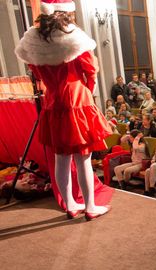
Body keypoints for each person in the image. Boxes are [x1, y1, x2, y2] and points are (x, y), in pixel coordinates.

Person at [15, 1, 113, 219]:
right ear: (67, 12)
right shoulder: (74, 37)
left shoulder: (35, 40)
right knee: (83, 159)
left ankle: (70, 204)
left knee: (61, 159)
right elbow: (90, 70)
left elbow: (36, 71)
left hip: (53, 101)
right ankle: (90, 207)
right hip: (77, 99)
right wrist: (87, 89)